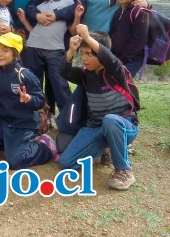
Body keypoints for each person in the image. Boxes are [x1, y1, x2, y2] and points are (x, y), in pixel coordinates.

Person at [58, 24, 140, 191]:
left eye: (89, 54)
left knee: (110, 121)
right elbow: (64, 71)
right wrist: (72, 50)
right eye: (83, 54)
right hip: (95, 128)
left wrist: (87, 38)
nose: (85, 58)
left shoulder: (116, 71)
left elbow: (109, 58)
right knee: (66, 163)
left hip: (124, 127)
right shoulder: (86, 74)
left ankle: (124, 170)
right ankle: (104, 149)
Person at [0, 32, 58, 169]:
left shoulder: (24, 75)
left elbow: (41, 101)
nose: (0, 54)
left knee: (15, 163)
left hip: (23, 125)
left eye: (5, 51)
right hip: (4, 122)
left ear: (15, 54)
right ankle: (14, 148)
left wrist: (29, 99)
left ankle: (44, 146)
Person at [22, 0, 73, 113]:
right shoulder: (40, 7)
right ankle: (38, 118)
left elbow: (72, 15)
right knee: (33, 83)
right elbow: (33, 23)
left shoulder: (68, 2)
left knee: (60, 84)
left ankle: (68, 121)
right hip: (33, 46)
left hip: (55, 48)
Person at [109, 0, 149, 77]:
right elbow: (111, 35)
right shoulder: (118, 12)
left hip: (132, 59)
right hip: (117, 57)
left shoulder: (139, 13)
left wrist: (122, 59)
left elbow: (139, 40)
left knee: (117, 85)